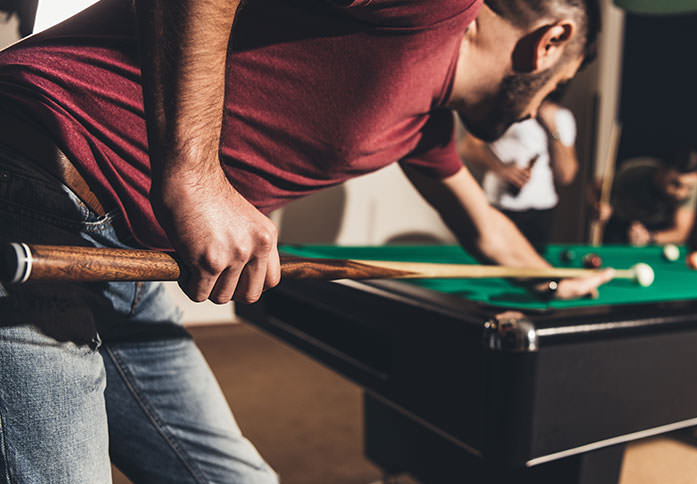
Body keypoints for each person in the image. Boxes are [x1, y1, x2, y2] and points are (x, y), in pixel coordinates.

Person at [0, 0, 611, 482]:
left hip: (129, 264)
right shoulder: (434, 7)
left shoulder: (428, 125)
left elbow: (487, 230)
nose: (539, 111)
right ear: (548, 43)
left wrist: (552, 278)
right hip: (32, 180)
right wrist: (195, 178)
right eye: (557, 86)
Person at [459, 99, 579, 252]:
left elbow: (566, 175)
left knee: (533, 268)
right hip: (498, 204)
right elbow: (468, 147)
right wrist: (501, 169)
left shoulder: (560, 116)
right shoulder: (497, 108)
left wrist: (553, 128)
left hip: (541, 209)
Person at [596, 148, 697, 246]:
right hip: (619, 224)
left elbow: (680, 233)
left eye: (689, 187)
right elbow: (594, 187)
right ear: (662, 171)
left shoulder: (693, 184)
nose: (682, 193)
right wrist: (597, 206)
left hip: (655, 232)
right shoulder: (633, 173)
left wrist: (649, 237)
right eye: (675, 184)